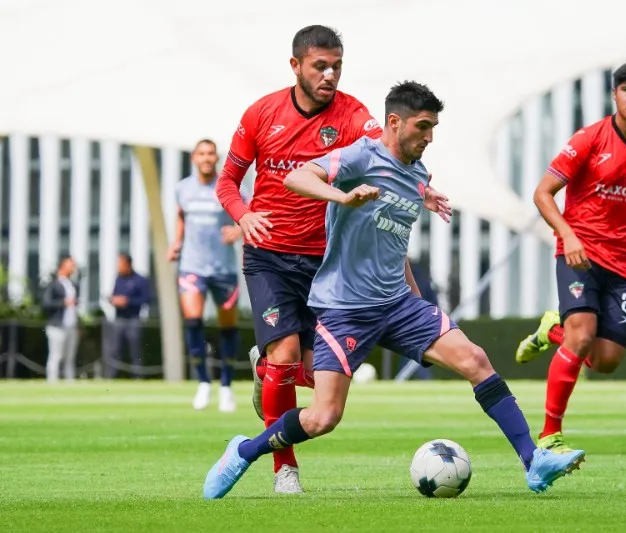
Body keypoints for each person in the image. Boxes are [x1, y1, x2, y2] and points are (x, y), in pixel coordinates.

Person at [203, 81, 585, 500]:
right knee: (323, 417)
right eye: (423, 127)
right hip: (345, 309)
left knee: (475, 358)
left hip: (399, 305)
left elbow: (393, 243)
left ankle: (534, 461)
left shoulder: (419, 174)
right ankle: (243, 451)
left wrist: (417, 295)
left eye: (434, 128)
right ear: (394, 122)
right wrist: (342, 197)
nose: (429, 137)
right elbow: (298, 176)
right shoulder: (361, 155)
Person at [214, 24, 386, 493]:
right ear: (296, 66)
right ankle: (283, 469)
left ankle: (265, 370)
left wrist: (423, 187)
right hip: (268, 255)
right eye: (320, 66)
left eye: (337, 66)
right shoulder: (261, 113)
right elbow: (227, 181)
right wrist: (244, 215)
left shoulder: (354, 115)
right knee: (287, 357)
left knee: (314, 375)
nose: (330, 75)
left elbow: (385, 155)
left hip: (326, 263)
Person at [514, 61, 626, 452]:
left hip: (624, 265)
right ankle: (549, 435)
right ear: (615, 94)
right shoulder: (589, 139)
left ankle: (551, 329)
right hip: (579, 255)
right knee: (581, 339)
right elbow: (543, 193)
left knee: (608, 359)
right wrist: (567, 235)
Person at [170, 139, 245, 413]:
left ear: (217, 157)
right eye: (201, 153)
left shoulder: (229, 186)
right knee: (192, 320)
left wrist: (239, 231)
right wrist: (176, 242)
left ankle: (226, 386)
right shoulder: (183, 188)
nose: (206, 157)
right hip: (192, 266)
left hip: (223, 268)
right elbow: (181, 216)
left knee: (228, 327)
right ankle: (203, 381)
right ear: (194, 158)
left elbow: (248, 215)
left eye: (211, 153)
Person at [107, 253, 151, 379]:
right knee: (115, 350)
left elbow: (146, 299)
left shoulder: (140, 280)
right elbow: (114, 295)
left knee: (135, 350)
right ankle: (112, 377)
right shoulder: (119, 279)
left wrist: (128, 301)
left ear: (128, 264)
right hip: (119, 319)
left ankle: (137, 377)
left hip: (133, 319)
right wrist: (114, 300)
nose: (119, 267)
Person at [41, 256, 80, 383]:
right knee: (56, 355)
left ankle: (70, 380)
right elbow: (46, 303)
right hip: (57, 324)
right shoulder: (53, 284)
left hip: (71, 324)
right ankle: (52, 381)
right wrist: (63, 303)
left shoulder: (73, 284)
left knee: (70, 357)